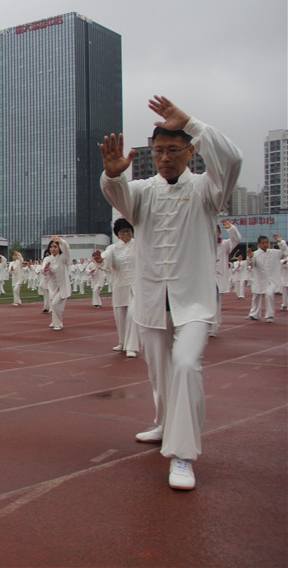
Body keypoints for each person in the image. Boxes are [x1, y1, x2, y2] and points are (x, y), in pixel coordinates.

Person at [100, 95, 242, 491]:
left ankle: (182, 455)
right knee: (160, 371)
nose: (164, 157)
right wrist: (113, 175)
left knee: (185, 365)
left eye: (173, 150)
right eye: (159, 150)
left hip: (194, 299)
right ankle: (165, 423)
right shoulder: (143, 191)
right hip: (150, 297)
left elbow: (232, 160)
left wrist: (192, 123)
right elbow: (118, 197)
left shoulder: (207, 190)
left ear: (189, 152)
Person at [96, 218, 139, 357]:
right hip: (120, 286)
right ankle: (122, 342)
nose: (125, 234)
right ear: (117, 234)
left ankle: (131, 346)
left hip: (137, 287)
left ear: (132, 231)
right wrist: (100, 260)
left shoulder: (139, 244)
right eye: (122, 232)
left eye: (128, 231)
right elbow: (105, 259)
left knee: (132, 315)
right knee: (120, 317)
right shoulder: (113, 248)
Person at [246, 234, 286, 322]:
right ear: (259, 244)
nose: (265, 244)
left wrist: (281, 242)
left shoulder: (274, 252)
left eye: (267, 242)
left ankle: (269, 315)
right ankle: (254, 314)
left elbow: (285, 252)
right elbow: (250, 264)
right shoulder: (255, 254)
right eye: (263, 243)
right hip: (259, 279)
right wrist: (250, 257)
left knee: (269, 294)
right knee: (256, 296)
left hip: (271, 280)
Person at [211, 219, 241, 335]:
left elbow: (236, 240)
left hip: (220, 277)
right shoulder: (205, 245)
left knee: (216, 302)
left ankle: (214, 327)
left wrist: (231, 228)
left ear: (219, 232)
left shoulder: (225, 244)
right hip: (207, 277)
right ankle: (210, 325)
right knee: (208, 303)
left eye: (216, 231)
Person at [42, 236, 71, 331]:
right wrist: (45, 269)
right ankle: (55, 321)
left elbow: (66, 249)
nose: (53, 249)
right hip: (53, 286)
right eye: (51, 247)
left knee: (55, 304)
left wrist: (61, 241)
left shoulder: (63, 258)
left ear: (59, 248)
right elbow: (44, 272)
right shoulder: (47, 259)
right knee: (55, 306)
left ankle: (58, 324)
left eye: (55, 247)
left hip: (63, 286)